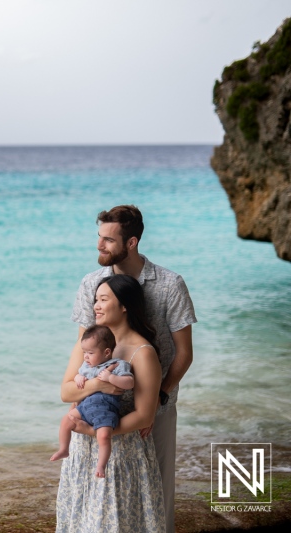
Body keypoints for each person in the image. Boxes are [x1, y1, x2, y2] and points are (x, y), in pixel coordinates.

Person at [68, 205, 196, 532]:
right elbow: (85, 345)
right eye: (99, 237)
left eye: (108, 240)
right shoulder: (92, 284)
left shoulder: (170, 284)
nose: (100, 245)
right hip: (104, 405)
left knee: (157, 492)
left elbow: (184, 353)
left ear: (132, 242)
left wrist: (156, 401)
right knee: (102, 493)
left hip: (156, 405)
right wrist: (83, 393)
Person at [55, 274, 165, 532]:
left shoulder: (142, 352)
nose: (96, 306)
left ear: (124, 305)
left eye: (103, 300)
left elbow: (144, 416)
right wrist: (98, 384)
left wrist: (96, 432)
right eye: (95, 300)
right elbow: (66, 393)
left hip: (120, 455)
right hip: (82, 452)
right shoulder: (88, 344)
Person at [50, 325, 134, 478]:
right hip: (85, 407)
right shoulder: (86, 366)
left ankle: (101, 466)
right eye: (84, 353)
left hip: (105, 409)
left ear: (106, 352)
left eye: (90, 353)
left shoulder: (118, 365)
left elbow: (129, 383)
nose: (86, 357)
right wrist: (78, 378)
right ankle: (63, 449)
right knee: (66, 421)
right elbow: (77, 377)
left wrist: (111, 378)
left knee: (103, 437)